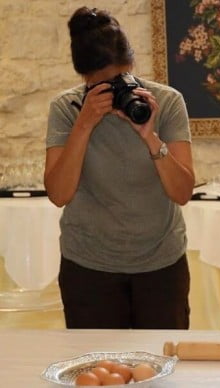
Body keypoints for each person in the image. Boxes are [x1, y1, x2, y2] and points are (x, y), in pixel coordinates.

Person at [44, 6, 195, 329]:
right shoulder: (66, 109)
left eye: (121, 79)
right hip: (89, 266)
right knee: (98, 371)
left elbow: (182, 192)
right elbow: (58, 193)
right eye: (103, 86)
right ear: (85, 79)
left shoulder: (165, 102)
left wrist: (150, 136)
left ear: (132, 66)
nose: (116, 92)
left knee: (163, 371)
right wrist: (83, 126)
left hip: (161, 263)